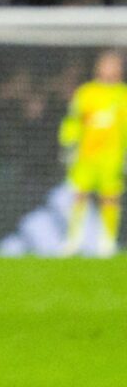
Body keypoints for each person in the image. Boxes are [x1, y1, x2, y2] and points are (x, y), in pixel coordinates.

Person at [59, 50, 125, 257]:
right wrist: (68, 143)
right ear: (98, 67)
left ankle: (106, 243)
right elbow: (73, 120)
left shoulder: (123, 95)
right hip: (86, 155)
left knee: (110, 198)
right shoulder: (86, 92)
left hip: (113, 156)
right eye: (106, 64)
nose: (109, 69)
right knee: (79, 196)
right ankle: (73, 241)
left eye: (114, 65)